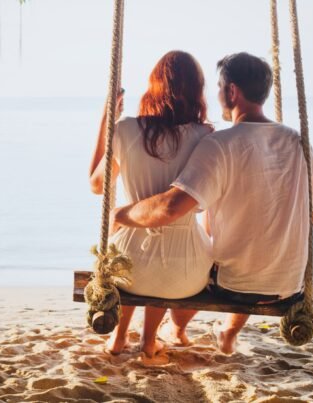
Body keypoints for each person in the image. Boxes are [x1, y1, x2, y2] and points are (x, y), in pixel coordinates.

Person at [110, 52, 313, 355]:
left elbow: (170, 208)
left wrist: (122, 213)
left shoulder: (220, 144)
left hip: (235, 287)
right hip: (291, 284)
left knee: (205, 262)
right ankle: (223, 332)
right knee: (238, 254)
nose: (217, 94)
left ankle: (177, 329)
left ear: (232, 91)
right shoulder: (298, 142)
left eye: (220, 86)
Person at [89, 51, 214, 359]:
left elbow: (96, 185)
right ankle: (148, 342)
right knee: (162, 266)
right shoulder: (206, 136)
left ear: (153, 86)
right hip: (185, 275)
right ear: (197, 90)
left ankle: (118, 340)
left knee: (129, 260)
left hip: (130, 265)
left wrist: (108, 119)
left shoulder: (126, 129)